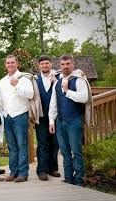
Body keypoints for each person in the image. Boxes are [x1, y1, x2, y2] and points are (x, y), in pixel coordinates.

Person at [49, 54, 89, 186]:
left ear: (73, 64)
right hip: (60, 122)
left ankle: (78, 180)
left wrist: (67, 91)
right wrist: (51, 121)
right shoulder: (57, 83)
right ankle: (68, 179)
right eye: (63, 64)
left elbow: (84, 98)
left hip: (74, 121)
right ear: (60, 66)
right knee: (65, 152)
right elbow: (53, 103)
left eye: (68, 64)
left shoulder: (79, 80)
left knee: (76, 152)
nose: (65, 67)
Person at [0, 55, 34, 182]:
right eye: (8, 63)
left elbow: (30, 94)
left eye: (12, 62)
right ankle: (13, 172)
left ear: (17, 64)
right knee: (11, 146)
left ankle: (23, 173)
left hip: (20, 116)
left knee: (22, 145)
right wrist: (1, 114)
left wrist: (17, 85)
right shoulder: (2, 81)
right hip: (7, 117)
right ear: (5, 65)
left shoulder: (24, 79)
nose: (10, 64)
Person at [35, 55, 61, 181]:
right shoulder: (35, 79)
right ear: (39, 66)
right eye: (42, 64)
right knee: (42, 143)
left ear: (51, 64)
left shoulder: (58, 77)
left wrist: (55, 82)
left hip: (56, 116)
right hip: (40, 116)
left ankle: (53, 168)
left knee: (55, 143)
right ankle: (42, 170)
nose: (45, 65)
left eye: (47, 63)